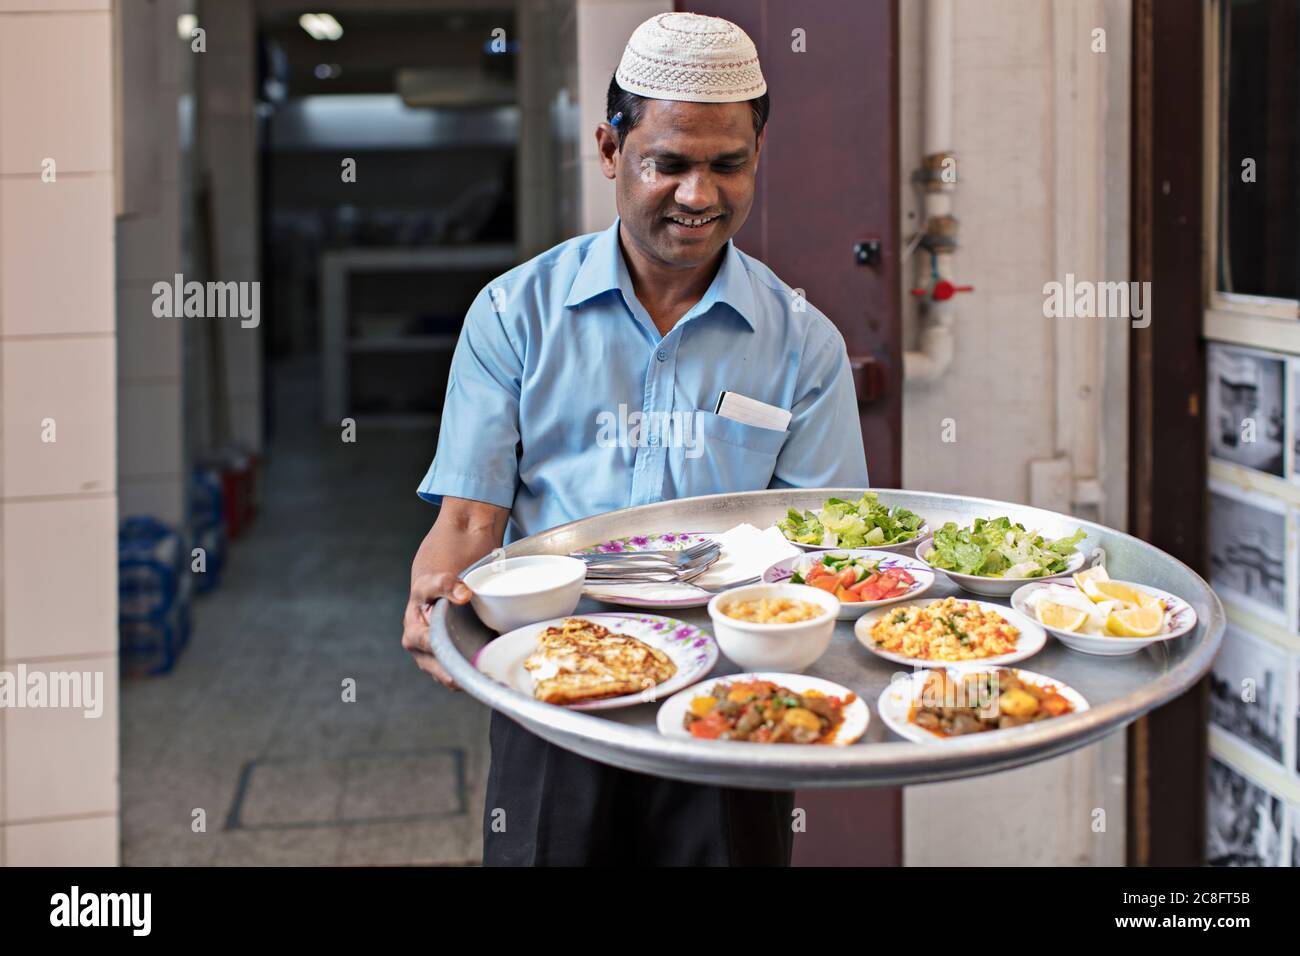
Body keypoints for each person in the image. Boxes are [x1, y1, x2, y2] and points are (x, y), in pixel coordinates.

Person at [401, 12, 869, 866]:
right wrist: (438, 590)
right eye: (670, 163)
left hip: (733, 695)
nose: (699, 195)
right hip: (557, 680)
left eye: (727, 165)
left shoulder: (803, 342)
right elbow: (471, 520)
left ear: (757, 156)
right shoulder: (516, 315)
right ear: (611, 149)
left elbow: (822, 546)